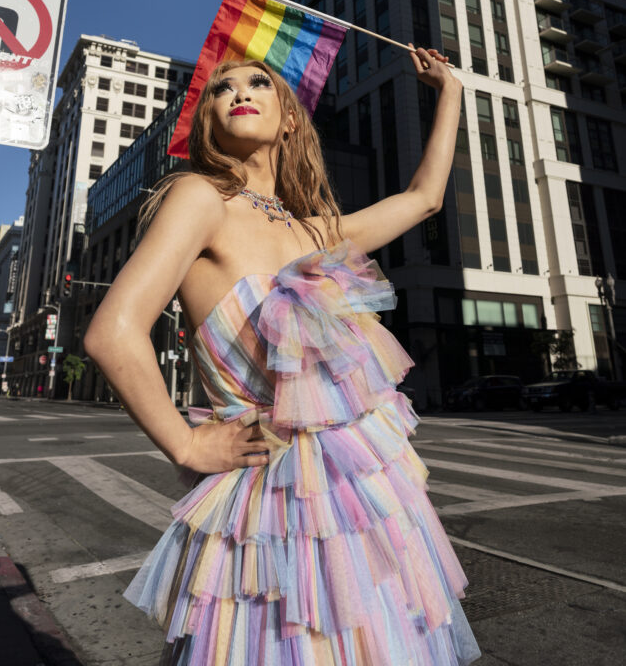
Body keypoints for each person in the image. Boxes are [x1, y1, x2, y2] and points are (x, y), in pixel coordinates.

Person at [84, 46, 481, 666]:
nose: (237, 92)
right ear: (209, 121)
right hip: (266, 496)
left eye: (258, 83)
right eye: (221, 90)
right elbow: (113, 332)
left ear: (289, 118)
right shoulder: (200, 199)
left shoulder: (316, 228)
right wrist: (186, 446)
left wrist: (449, 90)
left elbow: (426, 198)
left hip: (358, 491)